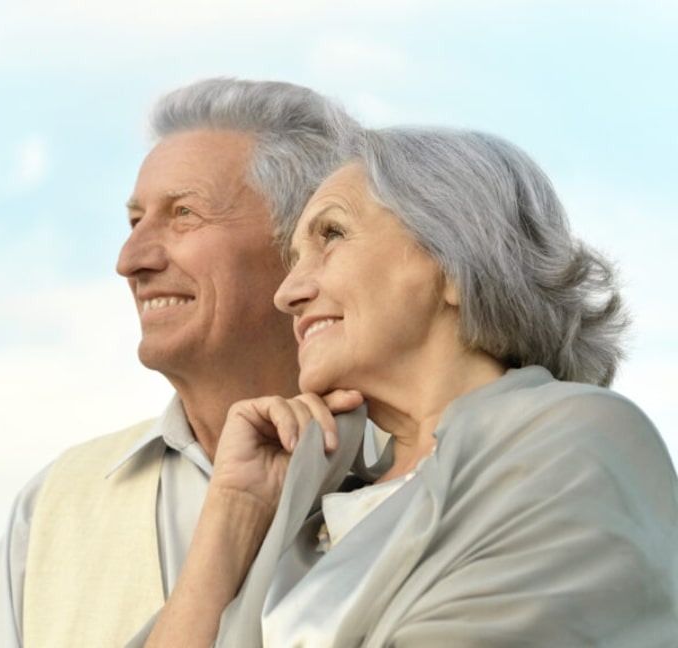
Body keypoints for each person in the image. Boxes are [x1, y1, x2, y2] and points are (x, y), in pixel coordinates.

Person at [139, 127, 678, 647]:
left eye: (332, 235)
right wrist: (234, 510)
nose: (288, 292)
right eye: (294, 259)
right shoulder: (312, 507)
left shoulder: (578, 438)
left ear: (454, 261)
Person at [0, 78, 360, 647]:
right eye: (134, 221)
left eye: (183, 214)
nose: (130, 260)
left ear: (305, 244)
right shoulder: (54, 506)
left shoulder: (435, 466)